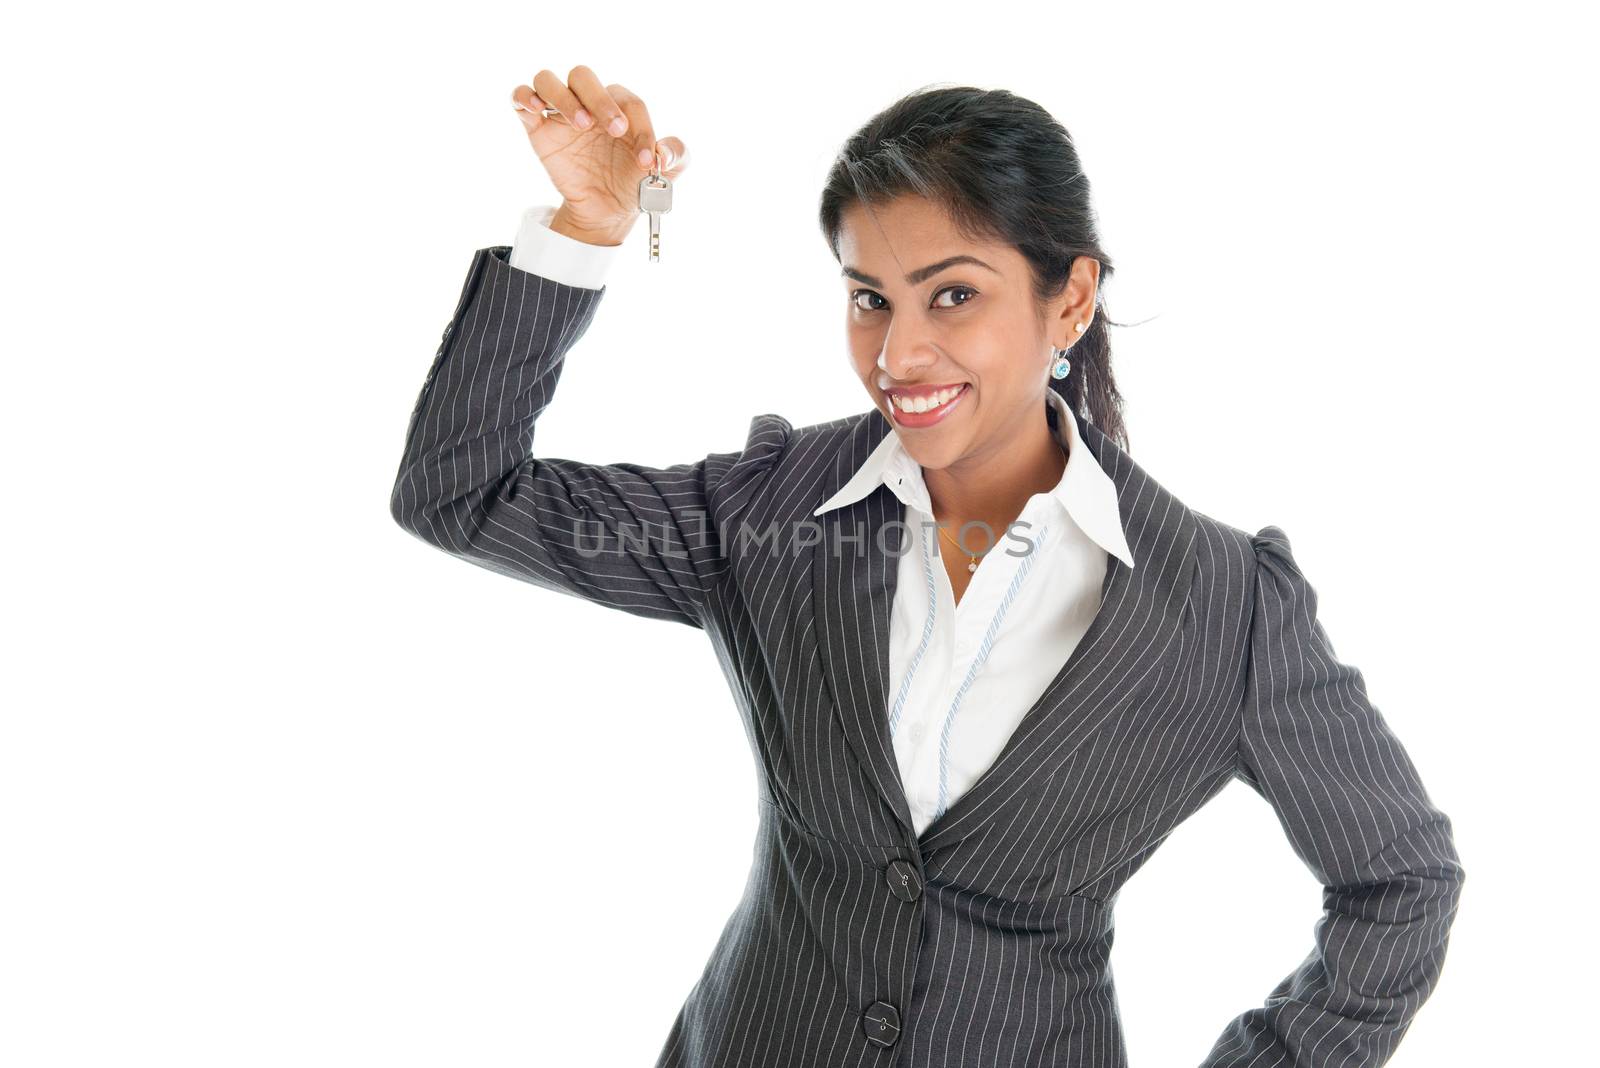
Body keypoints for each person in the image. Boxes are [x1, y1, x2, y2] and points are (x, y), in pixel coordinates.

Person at [389, 67, 1465, 1068]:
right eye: (870, 299)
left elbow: (1399, 882)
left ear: (1070, 301)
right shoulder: (767, 510)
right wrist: (586, 234)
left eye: (953, 296)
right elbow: (460, 494)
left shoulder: (1225, 608)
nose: (898, 356)